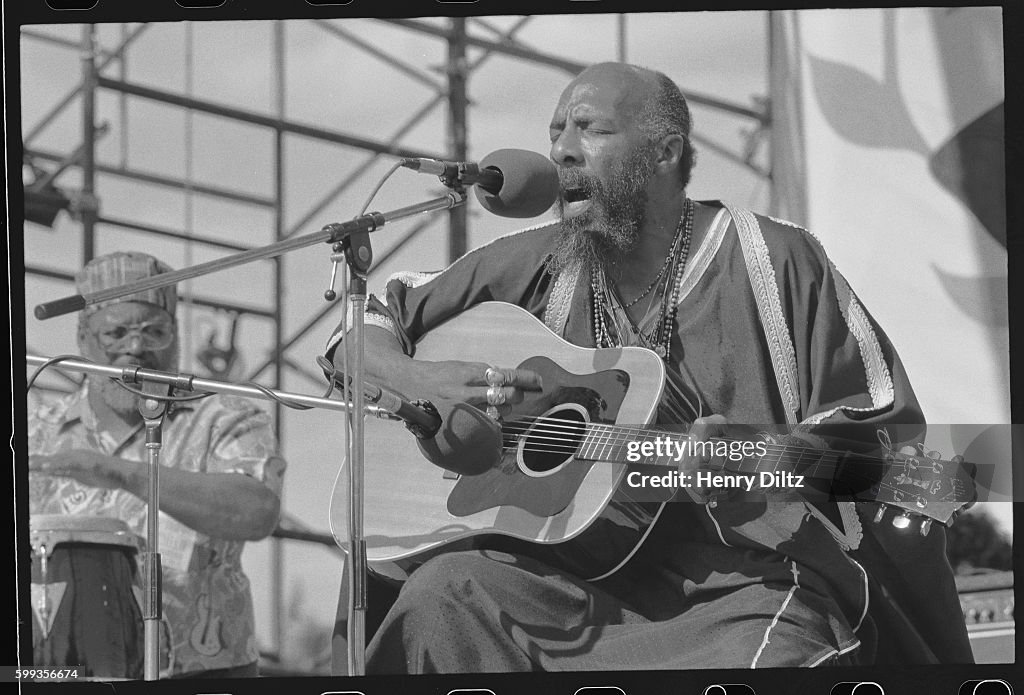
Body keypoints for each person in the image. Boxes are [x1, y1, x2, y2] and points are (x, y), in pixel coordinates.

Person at [326, 62, 972, 672]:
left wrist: (761, 459)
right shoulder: (531, 264)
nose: (563, 151)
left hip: (737, 588)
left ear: (664, 153)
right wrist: (416, 379)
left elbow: (890, 448)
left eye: (592, 129)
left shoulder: (774, 262)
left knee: (774, 657)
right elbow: (366, 322)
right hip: (562, 586)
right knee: (441, 597)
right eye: (556, 132)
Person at [29, 251, 286, 678]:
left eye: (155, 332)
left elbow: (257, 512)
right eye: (116, 332)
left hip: (207, 672)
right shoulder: (37, 433)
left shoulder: (225, 416)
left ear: (177, 337)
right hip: (65, 669)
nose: (136, 348)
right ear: (83, 340)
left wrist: (122, 474)